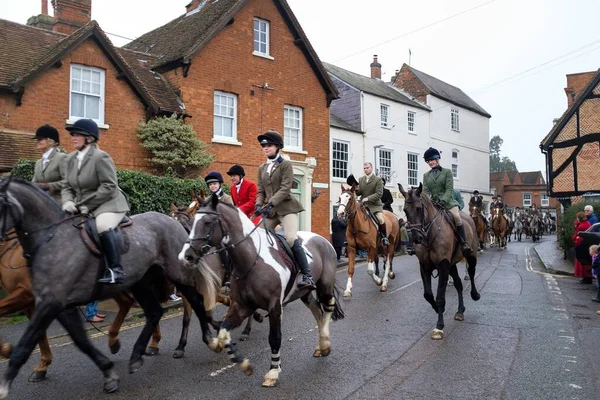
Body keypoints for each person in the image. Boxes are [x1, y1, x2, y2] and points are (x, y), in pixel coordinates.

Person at [61, 119, 130, 284]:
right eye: (72, 134)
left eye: (77, 134)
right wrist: (67, 201)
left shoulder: (101, 157)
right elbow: (66, 186)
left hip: (110, 203)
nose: (73, 137)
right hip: (83, 205)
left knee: (102, 226)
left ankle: (115, 270)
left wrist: (86, 205)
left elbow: (109, 186)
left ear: (89, 138)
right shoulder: (69, 159)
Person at [255, 129, 315, 290]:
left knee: (290, 238)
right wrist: (258, 204)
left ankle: (307, 275)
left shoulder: (286, 165)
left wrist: (270, 203)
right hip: (270, 210)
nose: (265, 147)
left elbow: (285, 187)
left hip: (287, 209)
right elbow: (260, 190)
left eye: (269, 145)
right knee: (256, 237)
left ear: (277, 147)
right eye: (263, 145)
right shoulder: (261, 168)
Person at [421, 147, 471, 256]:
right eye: (428, 161)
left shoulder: (447, 172)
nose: (430, 163)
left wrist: (443, 200)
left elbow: (449, 189)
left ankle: (463, 242)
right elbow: (425, 191)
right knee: (422, 218)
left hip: (448, 203)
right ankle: (421, 245)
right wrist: (425, 200)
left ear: (437, 159)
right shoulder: (426, 175)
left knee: (457, 217)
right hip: (434, 203)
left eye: (431, 160)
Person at [346, 162, 390, 246]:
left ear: (371, 168)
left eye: (367, 168)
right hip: (363, 205)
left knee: (380, 219)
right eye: (364, 168)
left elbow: (379, 194)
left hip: (375, 206)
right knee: (353, 216)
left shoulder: (378, 180)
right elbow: (359, 192)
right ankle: (351, 238)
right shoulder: (361, 179)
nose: (366, 169)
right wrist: (354, 189)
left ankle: (384, 238)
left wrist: (367, 198)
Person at [31, 124, 67, 204]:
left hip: (59, 204)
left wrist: (49, 186)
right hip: (41, 204)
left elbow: (68, 182)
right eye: (37, 139)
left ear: (51, 141)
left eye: (40, 139)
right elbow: (34, 183)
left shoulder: (62, 158)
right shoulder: (38, 163)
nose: (37, 141)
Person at [573, 211, 593, 284]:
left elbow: (577, 235)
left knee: (584, 263)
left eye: (577, 217)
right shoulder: (586, 223)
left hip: (582, 246)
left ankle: (587, 278)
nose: (576, 219)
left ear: (579, 218)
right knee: (585, 262)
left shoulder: (582, 226)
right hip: (585, 245)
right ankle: (586, 277)